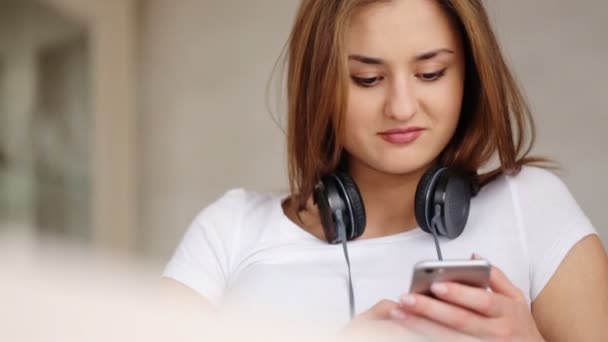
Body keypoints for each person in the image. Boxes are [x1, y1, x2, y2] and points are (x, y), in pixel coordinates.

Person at [162, 0, 608, 340]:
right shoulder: (231, 229)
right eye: (367, 79)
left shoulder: (531, 207)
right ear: (321, 85)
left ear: (468, 76)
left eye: (431, 73)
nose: (400, 107)